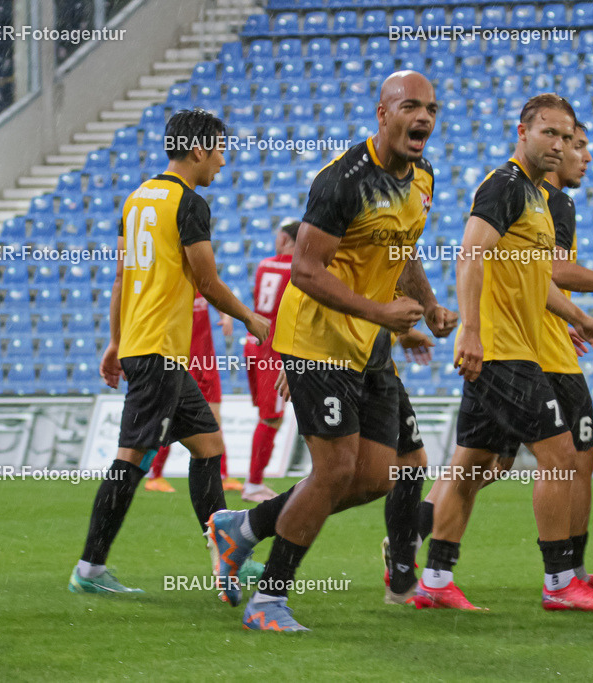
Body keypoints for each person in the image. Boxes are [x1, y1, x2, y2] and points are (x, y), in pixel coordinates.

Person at [206, 71, 456, 631]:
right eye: (411, 107)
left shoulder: (424, 178)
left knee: (375, 477)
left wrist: (429, 306)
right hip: (316, 342)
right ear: (382, 113)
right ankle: (268, 601)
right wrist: (381, 313)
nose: (423, 119)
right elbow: (305, 270)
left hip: (369, 347)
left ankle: (243, 529)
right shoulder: (343, 179)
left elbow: (402, 252)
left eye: (432, 109)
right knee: (335, 469)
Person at [412, 122, 593, 598]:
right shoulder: (513, 187)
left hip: (517, 346)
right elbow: (471, 255)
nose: (573, 152)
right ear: (525, 133)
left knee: (477, 466)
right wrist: (474, 332)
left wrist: (577, 317)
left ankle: (430, 572)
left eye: (573, 141)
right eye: (561, 139)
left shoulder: (537, 199)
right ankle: (563, 579)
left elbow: (539, 279)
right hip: (512, 351)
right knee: (565, 458)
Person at [68, 108, 270, 595]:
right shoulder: (189, 202)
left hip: (145, 346)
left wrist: (116, 341)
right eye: (219, 149)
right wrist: (249, 317)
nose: (222, 160)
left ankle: (228, 555)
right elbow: (207, 282)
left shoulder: (137, 198)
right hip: (158, 351)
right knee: (131, 460)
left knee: (209, 446)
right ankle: (89, 570)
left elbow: (121, 276)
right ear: (198, 149)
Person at [144, 293, 242, 493]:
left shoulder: (200, 279)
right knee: (169, 418)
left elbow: (217, 293)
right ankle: (155, 475)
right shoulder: (171, 282)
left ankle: (223, 475)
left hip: (206, 361)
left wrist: (226, 315)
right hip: (180, 359)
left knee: (215, 419)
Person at [240, 221, 298, 502]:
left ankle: (254, 481)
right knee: (271, 418)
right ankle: (253, 484)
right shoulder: (297, 271)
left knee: (266, 416)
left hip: (254, 345)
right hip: (273, 351)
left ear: (284, 239)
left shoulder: (264, 265)